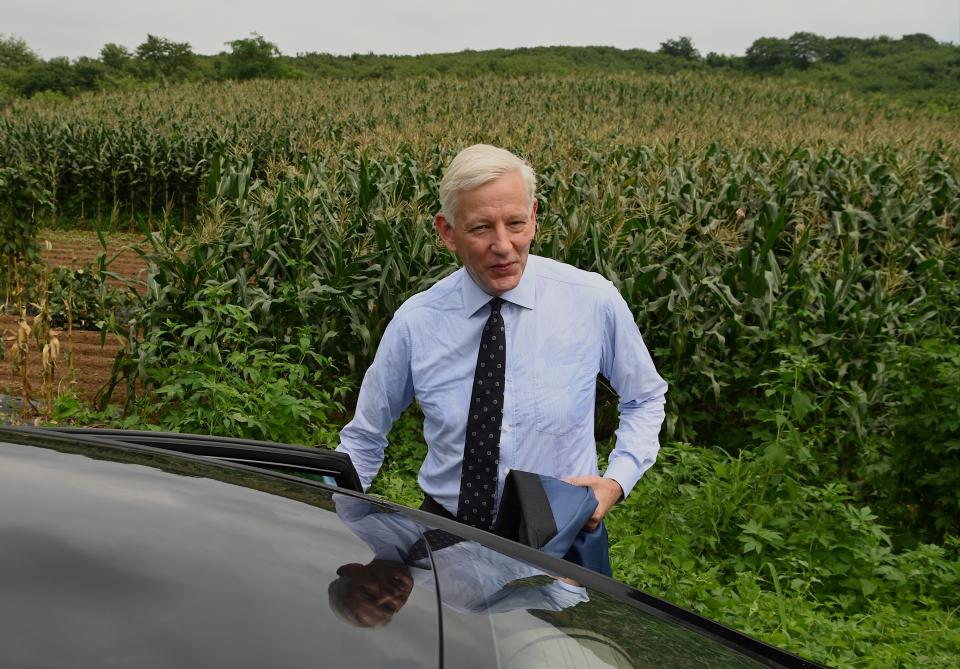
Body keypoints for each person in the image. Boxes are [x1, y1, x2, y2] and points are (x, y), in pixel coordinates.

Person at [336, 144, 667, 559]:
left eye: (515, 223)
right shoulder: (416, 322)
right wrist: (328, 525)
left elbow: (646, 397)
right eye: (480, 229)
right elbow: (365, 438)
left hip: (561, 543)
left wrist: (616, 482)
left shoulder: (591, 301)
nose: (504, 246)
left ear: (534, 218)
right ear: (447, 232)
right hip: (444, 540)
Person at [328, 494, 588, 627]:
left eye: (369, 594)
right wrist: (560, 568)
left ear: (351, 569)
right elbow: (558, 599)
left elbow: (359, 457)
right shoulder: (467, 600)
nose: (388, 595)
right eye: (388, 608)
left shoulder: (361, 519)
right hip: (558, 509)